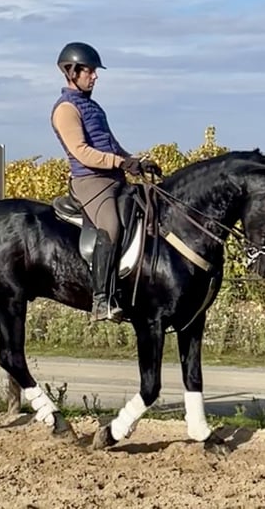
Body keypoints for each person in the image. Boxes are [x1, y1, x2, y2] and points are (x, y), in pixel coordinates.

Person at [50, 41, 162, 322]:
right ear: (72, 72)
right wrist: (119, 162)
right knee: (110, 227)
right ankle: (102, 300)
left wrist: (134, 161)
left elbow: (110, 144)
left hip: (114, 178)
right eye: (90, 71)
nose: (95, 76)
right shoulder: (65, 109)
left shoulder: (93, 107)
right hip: (90, 182)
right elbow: (82, 152)